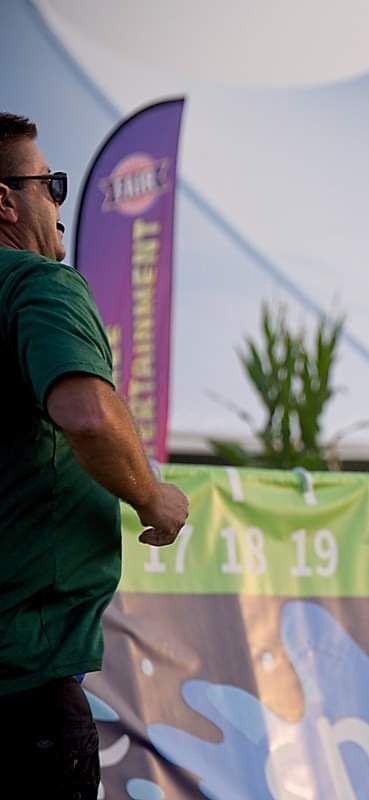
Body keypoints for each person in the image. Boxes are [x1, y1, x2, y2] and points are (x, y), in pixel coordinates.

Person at [0, 112, 189, 796]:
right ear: (5, 200)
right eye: (50, 184)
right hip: (20, 686)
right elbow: (85, 413)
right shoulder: (35, 284)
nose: (57, 201)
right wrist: (152, 497)